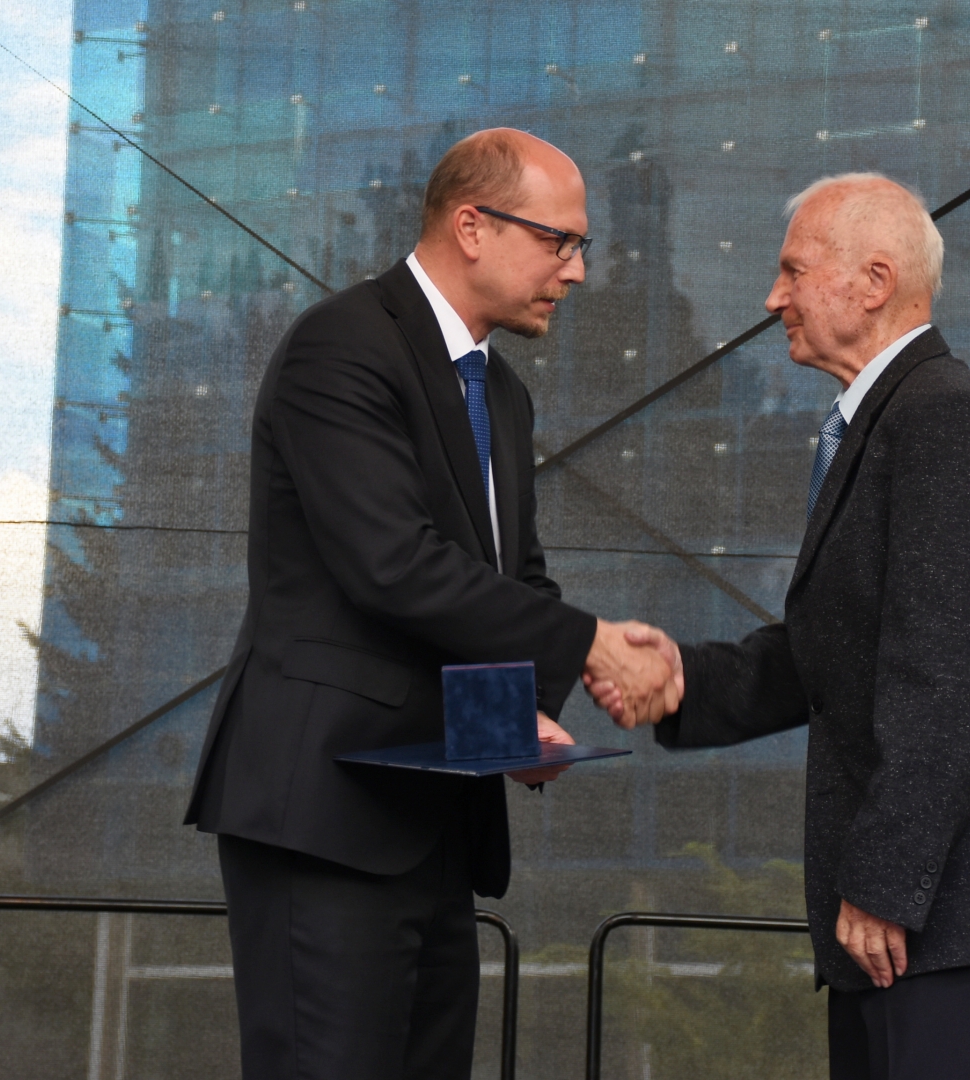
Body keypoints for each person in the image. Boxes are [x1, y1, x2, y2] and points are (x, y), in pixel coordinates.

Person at [590, 173, 970, 1080]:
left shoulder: (944, 418)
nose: (774, 298)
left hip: (952, 911)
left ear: (876, 281)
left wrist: (885, 881)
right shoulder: (890, 419)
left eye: (793, 271)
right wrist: (683, 678)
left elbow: (950, 676)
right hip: (922, 915)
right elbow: (841, 652)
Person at [184, 128, 678, 1080]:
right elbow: (393, 567)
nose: (577, 271)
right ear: (472, 226)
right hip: (325, 817)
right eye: (559, 242)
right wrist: (590, 645)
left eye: (580, 247)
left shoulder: (503, 396)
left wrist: (516, 720)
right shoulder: (341, 346)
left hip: (436, 825)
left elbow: (508, 579)